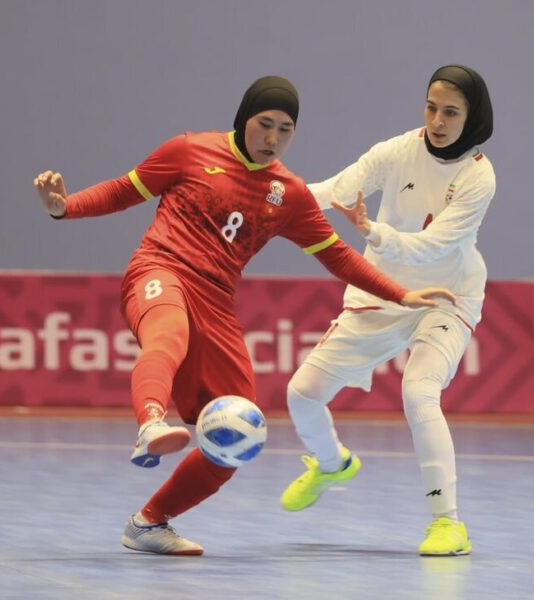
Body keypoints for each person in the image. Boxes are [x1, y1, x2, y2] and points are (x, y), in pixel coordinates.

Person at [34, 75, 454, 557]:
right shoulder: (188, 150)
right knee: (167, 334)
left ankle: (149, 523)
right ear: (243, 119)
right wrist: (65, 208)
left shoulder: (289, 194)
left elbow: (338, 256)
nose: (273, 138)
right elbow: (122, 191)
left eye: (286, 129)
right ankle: (151, 423)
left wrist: (401, 294)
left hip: (216, 301)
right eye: (264, 124)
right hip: (160, 269)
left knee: (239, 431)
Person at [280, 65, 495, 557]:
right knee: (303, 394)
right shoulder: (397, 150)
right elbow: (338, 187)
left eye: (451, 112)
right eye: (431, 107)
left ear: (473, 116)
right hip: (383, 291)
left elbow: (434, 244)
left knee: (419, 390)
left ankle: (447, 524)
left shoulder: (478, 176)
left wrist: (374, 233)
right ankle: (331, 464)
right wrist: (271, 196)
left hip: (447, 295)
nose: (437, 120)